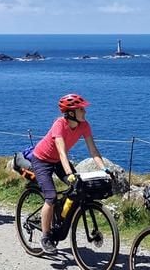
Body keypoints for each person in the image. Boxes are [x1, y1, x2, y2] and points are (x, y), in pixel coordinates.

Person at [28, 94, 107, 253]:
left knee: (79, 188)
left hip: (58, 161)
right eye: (81, 109)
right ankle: (45, 236)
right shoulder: (59, 124)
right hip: (42, 160)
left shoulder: (84, 125)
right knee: (50, 197)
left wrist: (105, 170)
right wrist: (70, 173)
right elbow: (62, 152)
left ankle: (59, 213)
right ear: (71, 113)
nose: (84, 111)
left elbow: (93, 150)